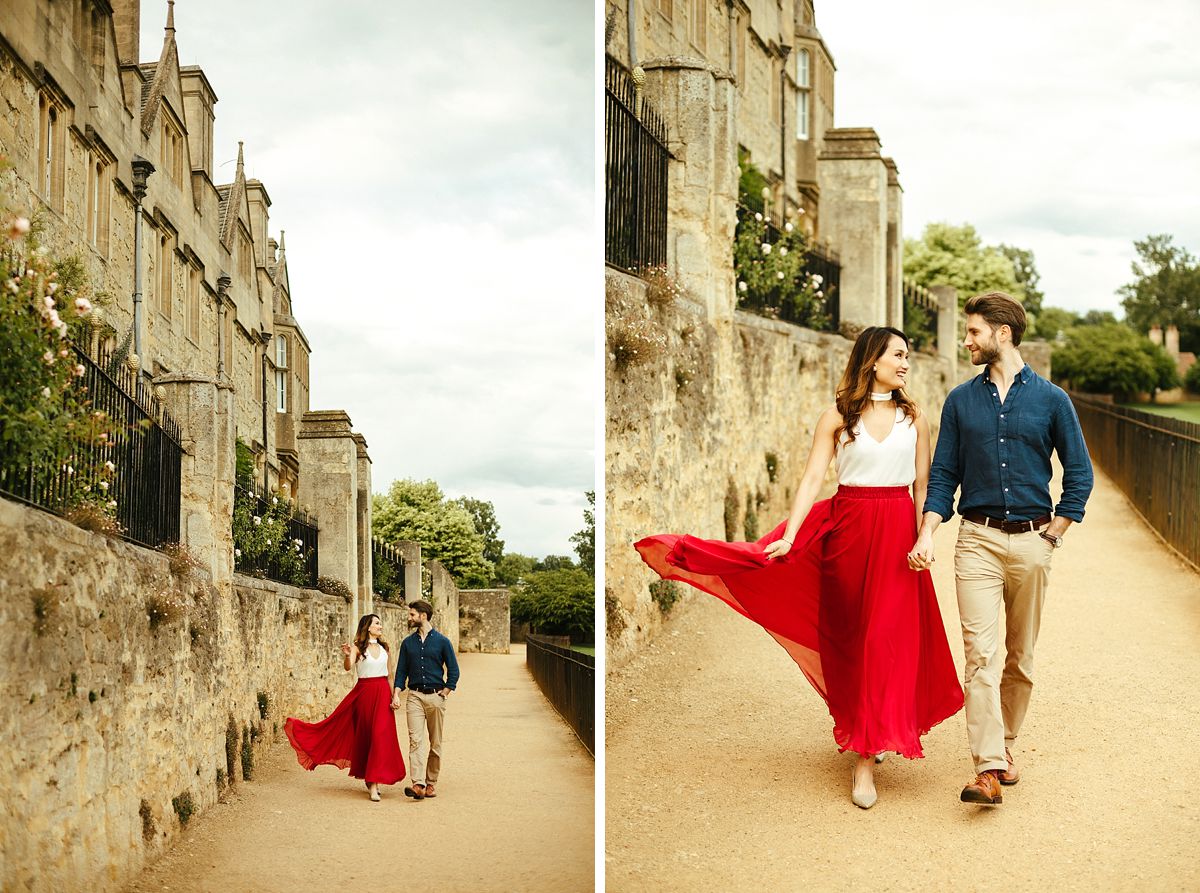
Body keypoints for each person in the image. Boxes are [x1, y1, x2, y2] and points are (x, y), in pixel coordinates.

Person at [636, 326, 964, 810]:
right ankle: (866, 732)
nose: (906, 363)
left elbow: (922, 486)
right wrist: (789, 534)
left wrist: (925, 537)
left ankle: (865, 758)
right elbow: (814, 476)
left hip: (897, 536)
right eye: (898, 354)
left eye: (907, 356)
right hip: (849, 532)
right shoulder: (836, 418)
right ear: (873, 359)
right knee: (854, 640)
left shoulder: (914, 419)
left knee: (885, 640)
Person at [908, 291, 1093, 806]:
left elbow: (1079, 473)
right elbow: (943, 475)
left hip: (1034, 540)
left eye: (973, 332)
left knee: (1020, 657)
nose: (966, 340)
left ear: (1002, 333)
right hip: (977, 541)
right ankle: (987, 766)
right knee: (980, 656)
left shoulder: (1052, 400)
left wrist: (1054, 534)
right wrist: (928, 531)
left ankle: (1005, 745)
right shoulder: (961, 400)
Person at [284, 614, 406, 802]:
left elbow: (390, 675)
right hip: (364, 695)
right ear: (367, 627)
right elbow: (349, 667)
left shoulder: (385, 648)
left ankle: (374, 782)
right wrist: (349, 655)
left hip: (382, 695)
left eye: (380, 623)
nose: (380, 626)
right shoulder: (358, 648)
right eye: (377, 623)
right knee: (369, 736)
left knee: (380, 736)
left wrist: (394, 696)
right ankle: (372, 783)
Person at [391, 599, 460, 801]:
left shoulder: (442, 642)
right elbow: (401, 671)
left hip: (436, 697)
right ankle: (418, 784)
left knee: (435, 743)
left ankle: (431, 783)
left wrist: (445, 692)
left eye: (412, 614)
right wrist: (396, 693)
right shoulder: (407, 643)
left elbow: (454, 671)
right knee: (415, 741)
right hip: (414, 697)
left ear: (423, 615)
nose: (409, 617)